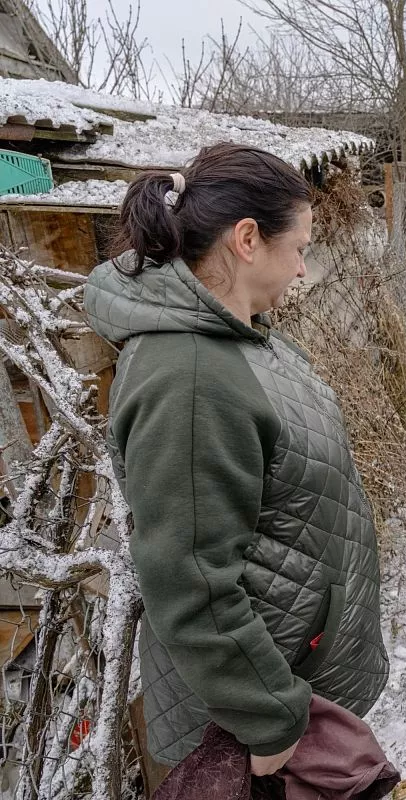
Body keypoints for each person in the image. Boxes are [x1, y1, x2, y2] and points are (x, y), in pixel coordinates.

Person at [84, 143, 389, 774]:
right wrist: (269, 719)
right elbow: (191, 580)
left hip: (300, 662)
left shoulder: (240, 340)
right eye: (300, 248)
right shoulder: (190, 381)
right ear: (247, 239)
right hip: (259, 722)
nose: (304, 270)